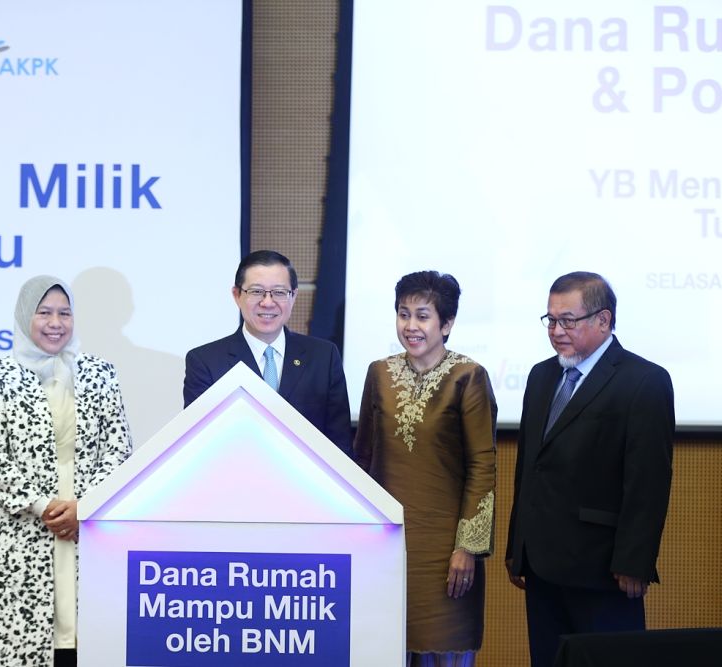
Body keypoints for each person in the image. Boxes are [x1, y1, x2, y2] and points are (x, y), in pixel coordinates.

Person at [506, 271, 674, 667]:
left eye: (568, 320)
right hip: (542, 566)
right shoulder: (540, 375)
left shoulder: (644, 381)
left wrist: (635, 563)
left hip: (603, 569)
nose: (557, 330)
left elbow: (648, 482)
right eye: (551, 320)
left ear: (604, 320)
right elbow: (529, 466)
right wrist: (519, 548)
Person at [0, 275, 133, 666]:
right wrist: (44, 505)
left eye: (64, 313)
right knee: (18, 648)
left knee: (82, 642)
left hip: (87, 527)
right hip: (18, 532)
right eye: (44, 313)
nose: (55, 322)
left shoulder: (100, 373)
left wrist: (84, 505)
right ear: (26, 316)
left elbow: (118, 448)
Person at [354, 270, 497, 667]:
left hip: (445, 553)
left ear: (446, 324)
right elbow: (363, 457)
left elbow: (482, 466)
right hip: (385, 546)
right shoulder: (378, 374)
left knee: (442, 650)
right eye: (403, 314)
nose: (410, 326)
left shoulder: (468, 377)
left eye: (422, 316)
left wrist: (467, 547)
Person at [183, 250, 352, 454]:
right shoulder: (205, 361)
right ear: (237, 295)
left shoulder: (323, 357)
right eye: (256, 292)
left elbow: (340, 445)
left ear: (294, 295)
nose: (268, 302)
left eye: (279, 292)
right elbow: (199, 445)